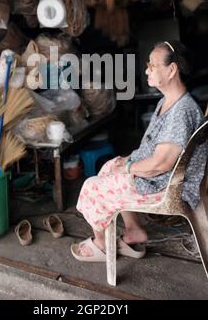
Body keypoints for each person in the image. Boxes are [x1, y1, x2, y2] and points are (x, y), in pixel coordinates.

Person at [71, 40, 205, 262]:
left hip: (170, 185)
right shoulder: (168, 101)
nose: (146, 70)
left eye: (152, 65)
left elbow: (161, 164)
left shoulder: (181, 112)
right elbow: (151, 151)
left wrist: (130, 167)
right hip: (162, 176)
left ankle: (102, 244)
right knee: (109, 166)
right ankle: (133, 230)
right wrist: (126, 160)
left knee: (92, 186)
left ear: (172, 70)